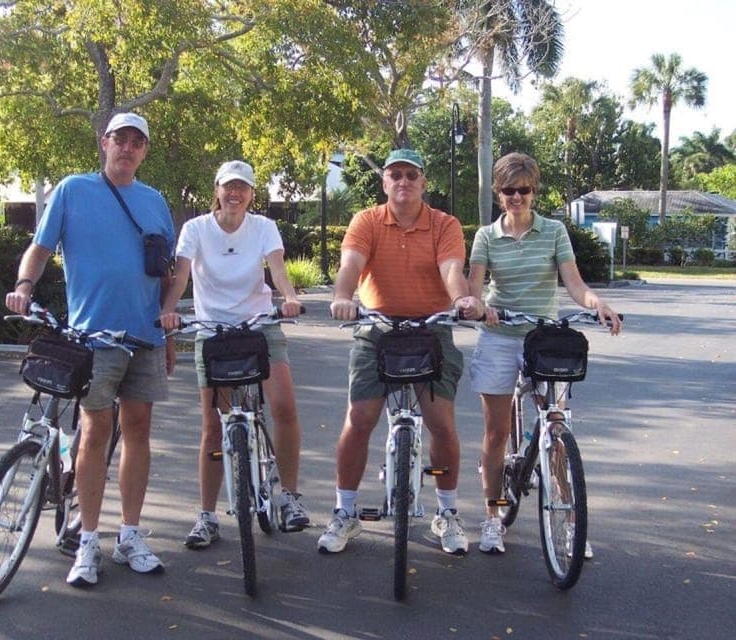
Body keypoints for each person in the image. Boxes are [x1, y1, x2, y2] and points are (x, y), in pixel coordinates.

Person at [5, 112, 176, 587]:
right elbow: (40, 248)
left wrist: (168, 335)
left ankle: (130, 536)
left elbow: (165, 274)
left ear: (144, 151)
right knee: (95, 433)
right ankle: (86, 541)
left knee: (138, 431)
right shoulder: (72, 190)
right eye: (120, 139)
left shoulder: (154, 201)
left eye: (137, 142)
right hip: (94, 338)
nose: (127, 148)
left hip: (145, 337)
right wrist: (24, 286)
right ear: (104, 142)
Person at [319, 148, 484, 556]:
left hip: (431, 328)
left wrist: (460, 300)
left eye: (412, 175)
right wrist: (342, 297)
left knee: (441, 423)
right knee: (360, 418)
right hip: (378, 328)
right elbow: (350, 265)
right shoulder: (367, 221)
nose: (404, 181)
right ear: (385, 182)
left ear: (423, 182)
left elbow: (451, 270)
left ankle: (448, 512)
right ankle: (345, 512)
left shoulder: (444, 224)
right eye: (396, 175)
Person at [468, 151, 622, 556]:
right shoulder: (486, 237)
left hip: (543, 338)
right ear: (498, 193)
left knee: (556, 424)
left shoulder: (553, 231)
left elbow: (575, 284)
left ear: (534, 191)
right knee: (496, 434)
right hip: (500, 336)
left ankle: (571, 524)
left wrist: (598, 305)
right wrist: (480, 307)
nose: (516, 197)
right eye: (509, 190)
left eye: (524, 190)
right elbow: (473, 290)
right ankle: (492, 516)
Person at [159, 160, 310, 549]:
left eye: (242, 187)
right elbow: (181, 275)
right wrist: (168, 312)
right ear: (217, 190)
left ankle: (289, 497)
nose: (235, 193)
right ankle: (207, 516)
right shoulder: (196, 229)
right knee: (213, 426)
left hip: (259, 326)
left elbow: (277, 269)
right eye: (229, 186)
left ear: (251, 194)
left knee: (284, 407)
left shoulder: (263, 227)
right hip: (213, 332)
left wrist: (289, 297)